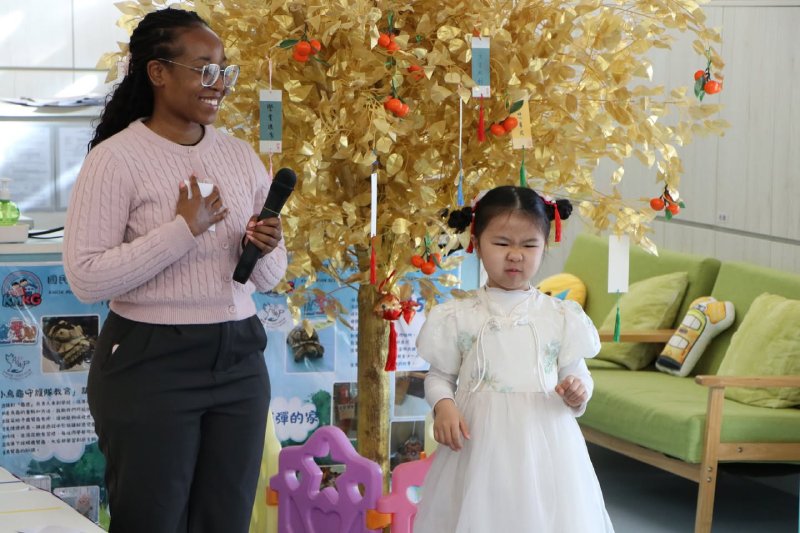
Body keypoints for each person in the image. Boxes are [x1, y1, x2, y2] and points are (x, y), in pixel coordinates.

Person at [63, 7, 287, 533]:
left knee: (225, 520)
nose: (219, 83)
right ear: (158, 72)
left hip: (238, 358)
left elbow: (270, 277)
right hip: (150, 362)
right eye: (204, 69)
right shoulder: (115, 159)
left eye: (224, 70)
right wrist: (182, 230)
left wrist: (266, 246)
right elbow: (86, 277)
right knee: (153, 521)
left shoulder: (240, 157)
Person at [413, 186, 614, 532]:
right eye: (502, 243)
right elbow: (439, 377)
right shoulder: (458, 315)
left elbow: (578, 374)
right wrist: (444, 406)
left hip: (547, 447)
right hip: (477, 446)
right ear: (476, 244)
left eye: (529, 245)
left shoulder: (560, 316)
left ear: (545, 246)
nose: (515, 255)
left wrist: (578, 391)